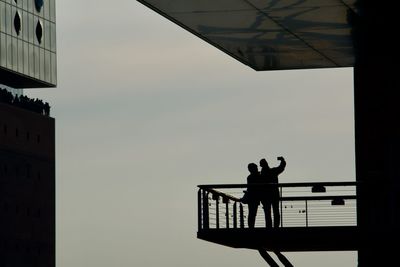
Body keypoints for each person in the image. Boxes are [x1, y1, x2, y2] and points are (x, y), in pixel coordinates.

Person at [260, 157, 286, 228]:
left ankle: (269, 227)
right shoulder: (273, 171)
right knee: (276, 211)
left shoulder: (261, 176)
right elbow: (281, 167)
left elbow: (281, 167)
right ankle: (276, 227)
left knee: (268, 213)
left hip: (265, 196)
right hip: (274, 194)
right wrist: (282, 160)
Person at [246, 163, 262, 228]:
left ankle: (251, 226)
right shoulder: (257, 176)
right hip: (255, 197)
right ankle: (251, 226)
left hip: (251, 197)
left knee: (251, 213)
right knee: (253, 213)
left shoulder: (249, 177)